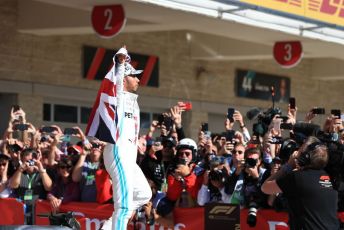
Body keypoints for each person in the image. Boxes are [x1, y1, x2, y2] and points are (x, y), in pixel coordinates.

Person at [90, 46, 151, 230]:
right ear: (124, 79)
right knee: (123, 207)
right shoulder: (119, 97)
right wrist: (120, 63)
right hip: (118, 153)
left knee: (143, 193)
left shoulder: (134, 102)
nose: (138, 79)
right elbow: (115, 82)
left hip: (129, 157)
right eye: (134, 76)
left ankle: (108, 228)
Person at [261, 136, 340, 230]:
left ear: (305, 157)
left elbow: (265, 187)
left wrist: (288, 165)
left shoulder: (298, 177)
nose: (296, 153)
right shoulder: (327, 178)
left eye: (300, 151)